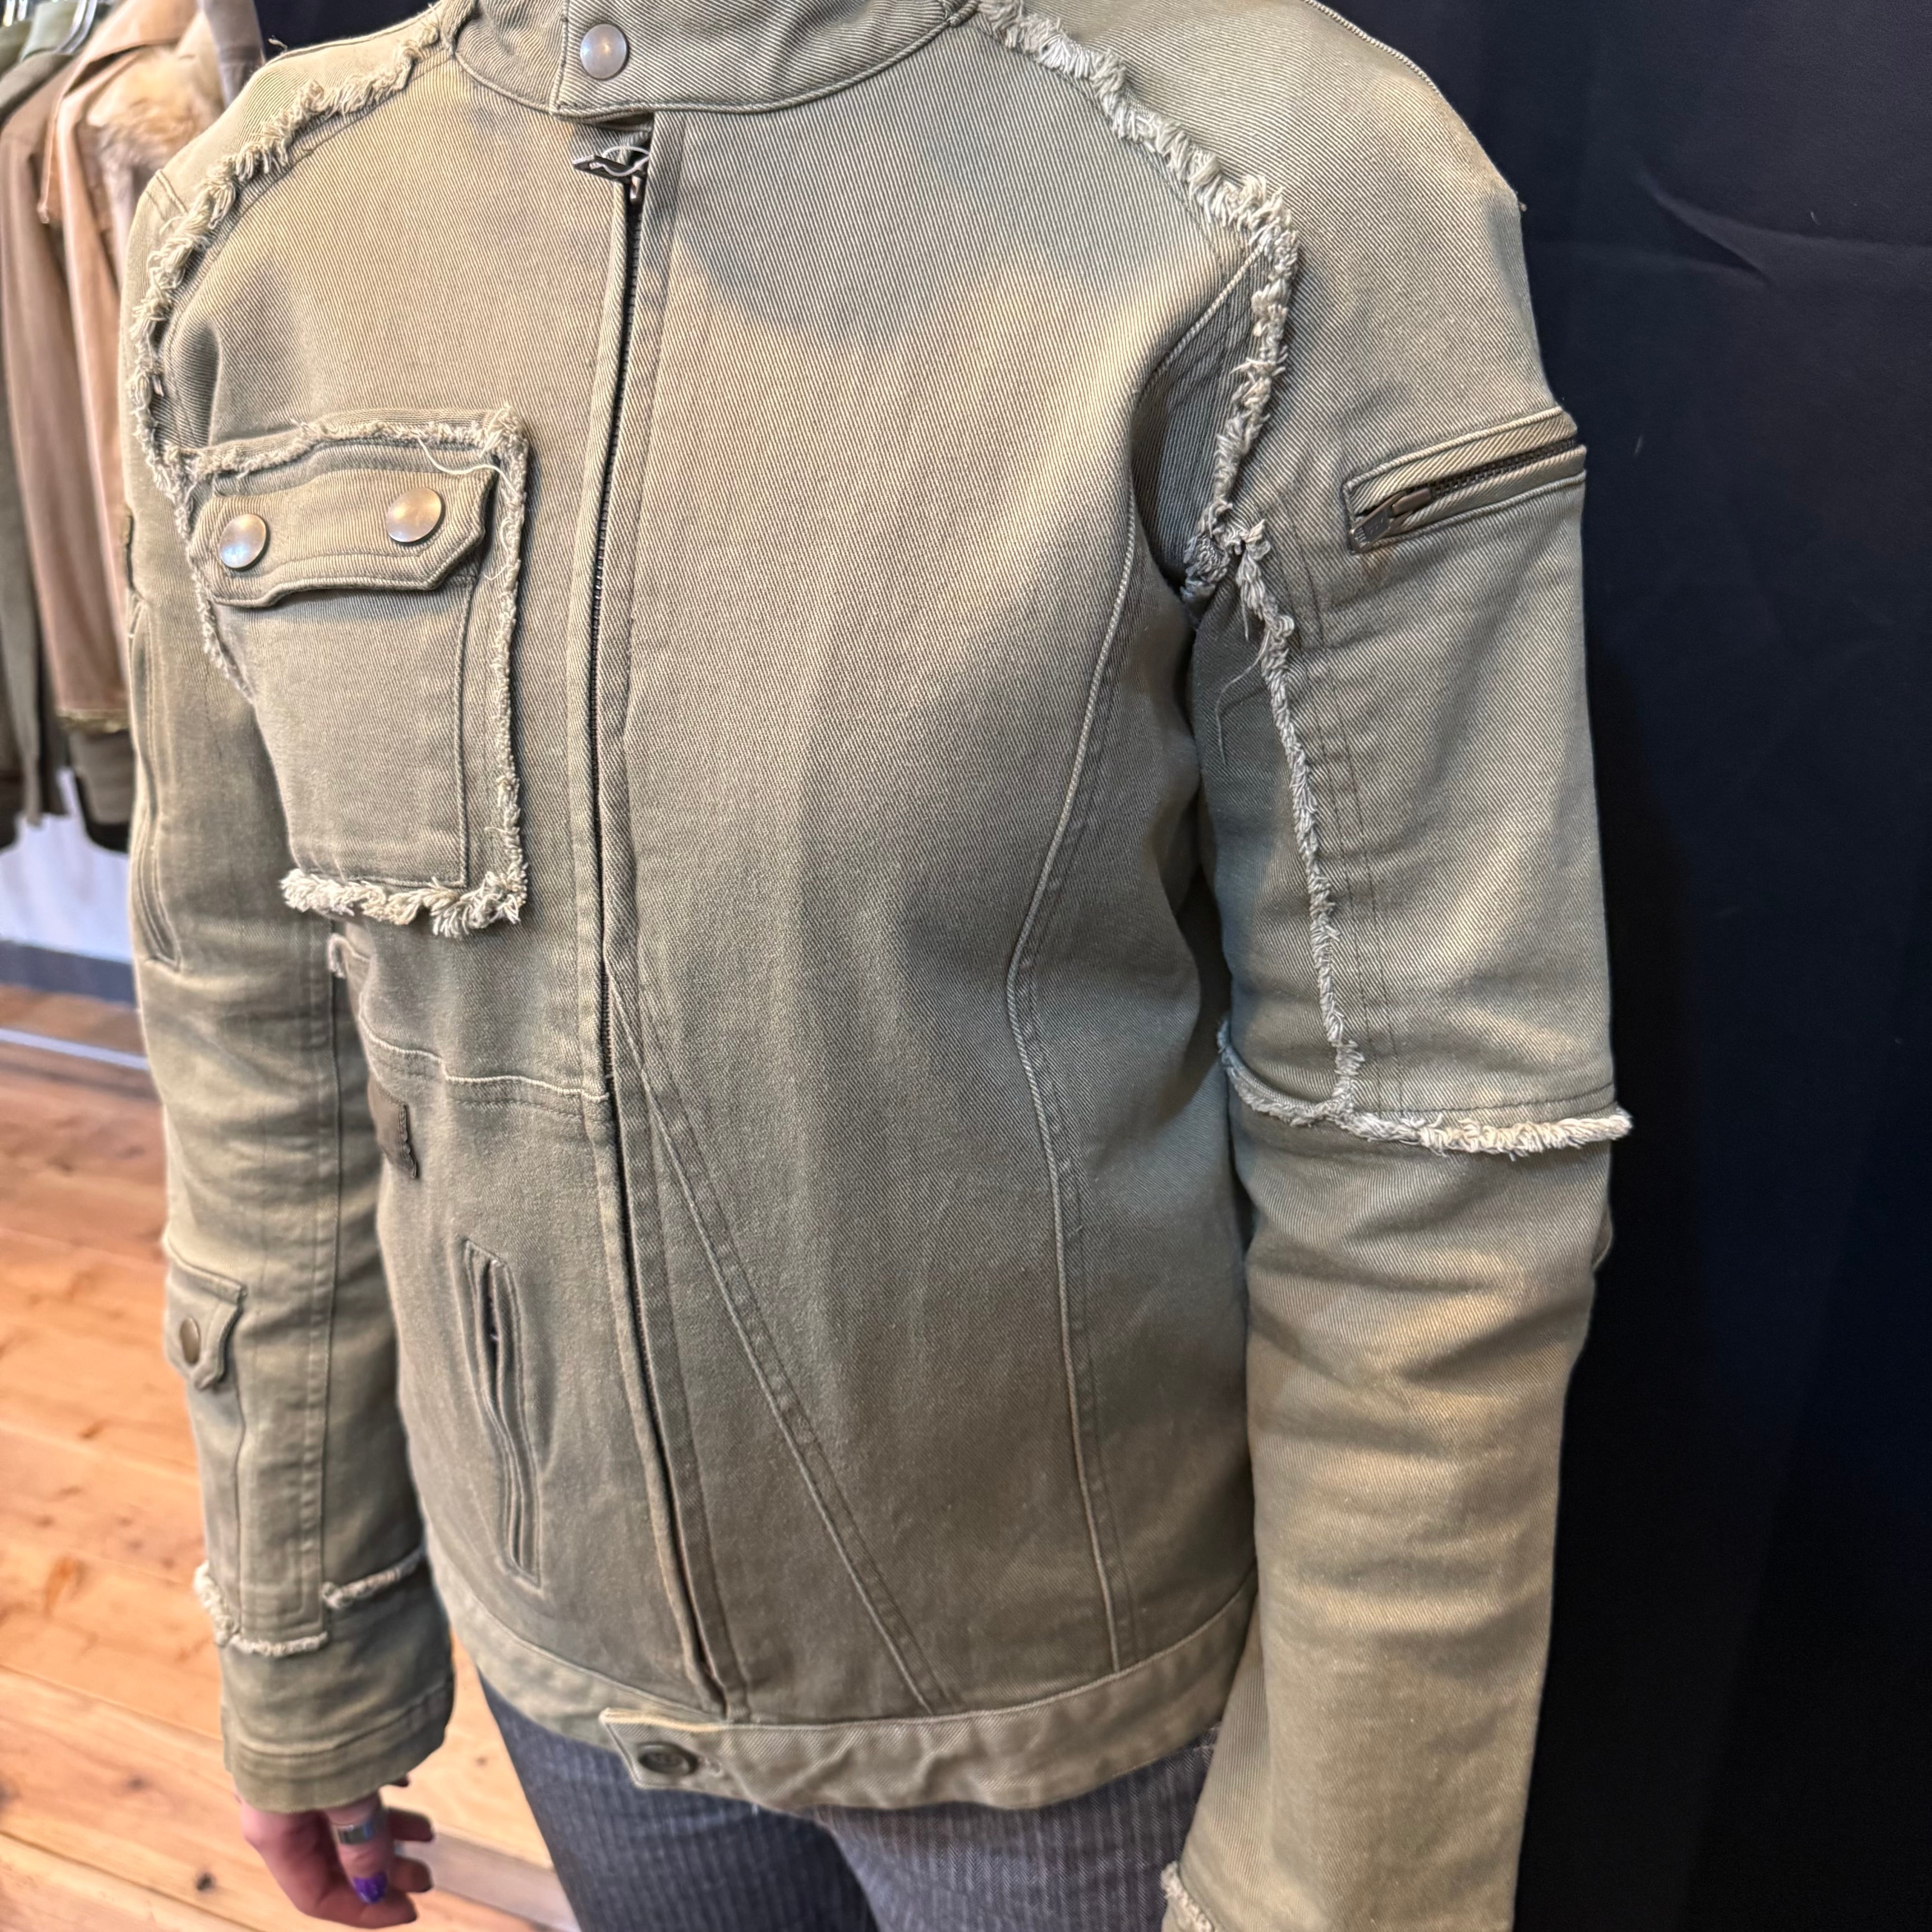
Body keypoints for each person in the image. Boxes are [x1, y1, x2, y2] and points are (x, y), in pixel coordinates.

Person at [123, 2, 1626, 1927]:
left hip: (1075, 1740)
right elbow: (262, 1023)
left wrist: (1340, 1886)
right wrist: (302, 1621)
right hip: (576, 1683)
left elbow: (1429, 1147)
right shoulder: (263, 229)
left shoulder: (1266, 188)